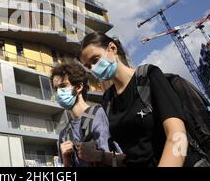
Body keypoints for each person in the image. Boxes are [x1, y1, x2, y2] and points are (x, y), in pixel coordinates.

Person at [78, 32, 188, 167]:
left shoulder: (148, 76)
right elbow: (132, 157)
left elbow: (178, 136)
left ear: (112, 48)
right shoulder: (107, 100)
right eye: (88, 66)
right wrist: (99, 156)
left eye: (95, 60)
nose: (94, 68)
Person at [51, 61, 124, 167]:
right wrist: (66, 161)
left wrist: (97, 155)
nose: (59, 93)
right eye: (56, 89)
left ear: (78, 87)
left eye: (63, 86)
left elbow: (121, 159)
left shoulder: (98, 114)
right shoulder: (64, 134)